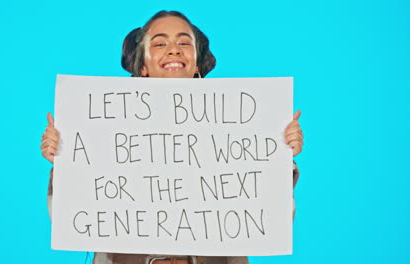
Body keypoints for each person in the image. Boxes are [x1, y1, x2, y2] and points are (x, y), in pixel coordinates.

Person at [40, 10, 303, 264]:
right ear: (142, 65)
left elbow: (275, 219)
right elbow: (65, 216)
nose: (174, 49)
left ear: (197, 62)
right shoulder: (103, 127)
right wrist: (64, 159)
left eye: (184, 42)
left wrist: (278, 154)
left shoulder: (239, 125)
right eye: (160, 43)